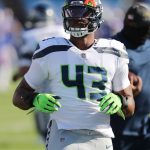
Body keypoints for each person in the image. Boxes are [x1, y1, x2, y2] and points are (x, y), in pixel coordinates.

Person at [12, 0, 135, 150]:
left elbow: (130, 107)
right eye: (72, 12)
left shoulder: (114, 51)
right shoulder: (49, 50)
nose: (76, 18)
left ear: (96, 15)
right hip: (63, 134)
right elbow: (19, 96)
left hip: (101, 136)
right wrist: (34, 99)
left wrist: (120, 100)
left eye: (83, 12)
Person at [12, 2, 69, 142]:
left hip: (44, 84)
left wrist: (18, 75)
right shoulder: (63, 30)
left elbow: (25, 67)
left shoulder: (31, 35)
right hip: (69, 81)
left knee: (45, 127)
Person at [111, 2, 150, 150]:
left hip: (145, 128)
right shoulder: (111, 47)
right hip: (118, 129)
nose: (144, 32)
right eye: (141, 28)